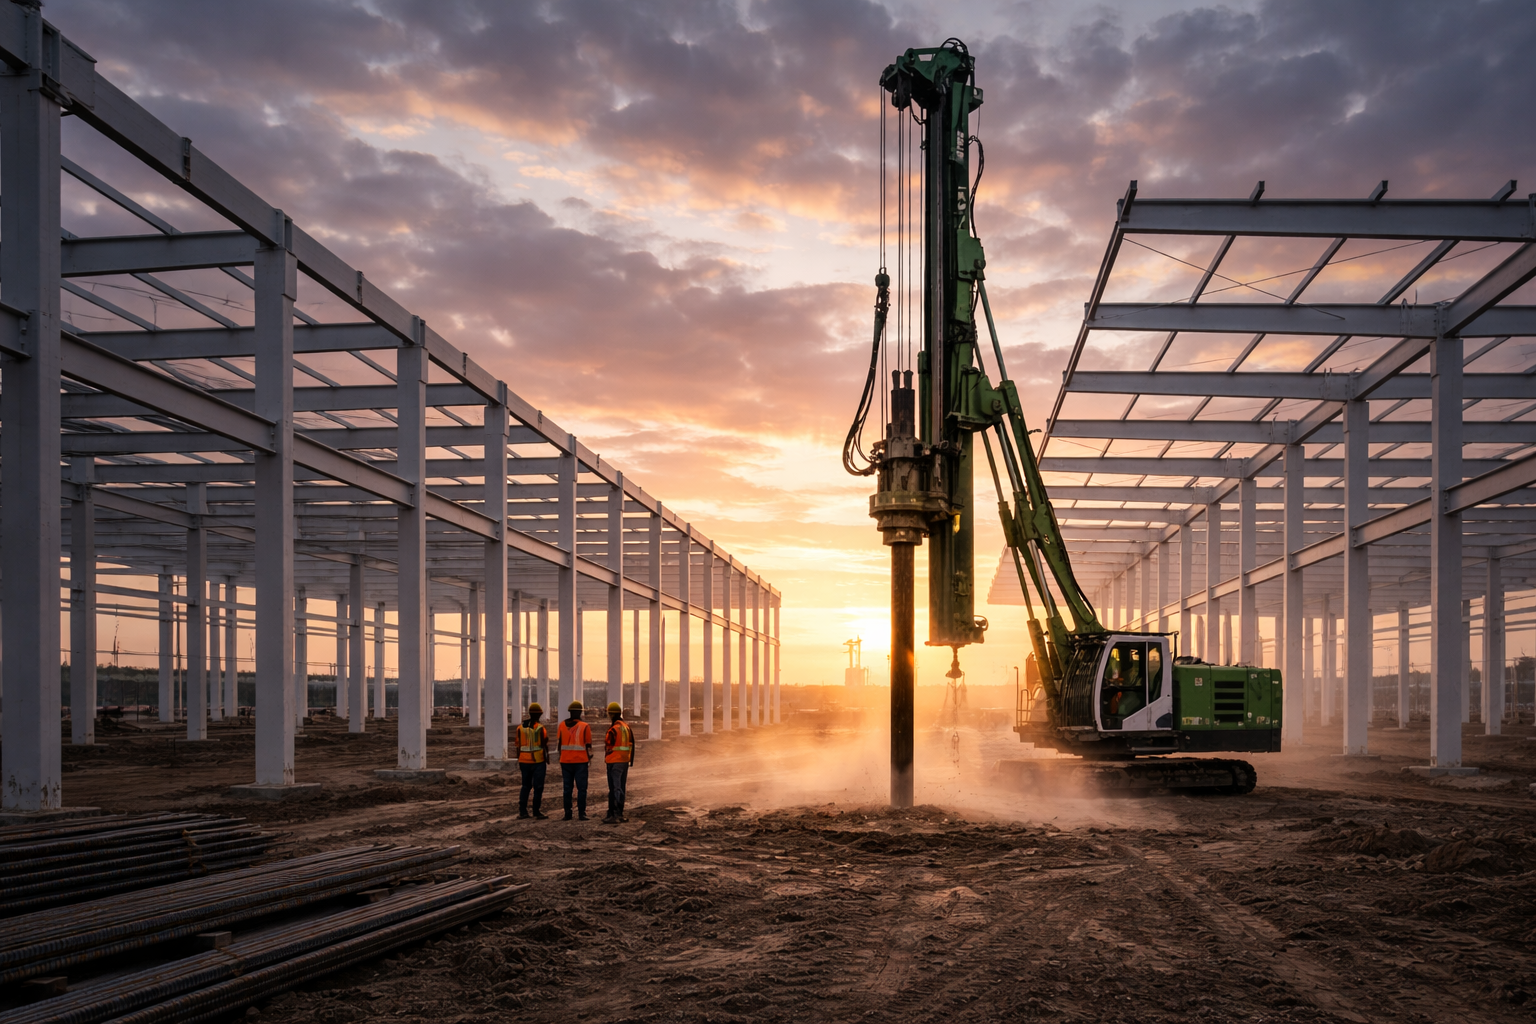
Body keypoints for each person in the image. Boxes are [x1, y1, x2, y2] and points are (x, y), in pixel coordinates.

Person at [557, 700, 593, 820]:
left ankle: (568, 814)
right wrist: (590, 758)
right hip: (580, 762)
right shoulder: (585, 726)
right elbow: (588, 746)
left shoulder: (561, 725)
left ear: (570, 712)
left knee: (567, 789)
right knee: (582, 789)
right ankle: (581, 813)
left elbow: (559, 745)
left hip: (565, 761)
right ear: (580, 712)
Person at [516, 703, 551, 820]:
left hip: (524, 761)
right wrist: (547, 758)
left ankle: (523, 811)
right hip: (538, 761)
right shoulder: (540, 728)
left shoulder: (520, 728)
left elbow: (518, 745)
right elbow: (544, 744)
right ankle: (536, 811)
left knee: (525, 786)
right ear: (539, 714)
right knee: (538, 787)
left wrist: (519, 759)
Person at [602, 701, 635, 824]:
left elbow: (608, 745)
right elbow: (632, 744)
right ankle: (619, 813)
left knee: (614, 788)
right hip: (624, 761)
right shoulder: (626, 727)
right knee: (621, 787)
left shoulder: (613, 729)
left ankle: (614, 814)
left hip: (614, 761)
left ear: (611, 714)